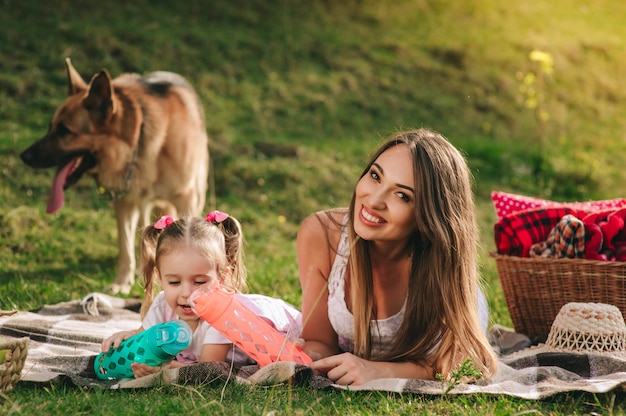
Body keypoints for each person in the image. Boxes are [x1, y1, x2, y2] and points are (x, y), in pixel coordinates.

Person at [297, 129, 498, 386]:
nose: (375, 200)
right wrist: (308, 356)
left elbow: (463, 365)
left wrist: (376, 371)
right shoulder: (322, 235)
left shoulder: (441, 266)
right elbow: (321, 341)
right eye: (375, 176)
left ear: (428, 217)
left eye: (402, 195)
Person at [101, 210, 302, 378]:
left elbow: (210, 370)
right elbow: (144, 341)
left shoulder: (221, 318)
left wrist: (164, 370)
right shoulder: (163, 304)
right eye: (174, 282)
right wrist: (126, 338)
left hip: (288, 328)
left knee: (307, 356)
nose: (187, 292)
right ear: (160, 278)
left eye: (199, 282)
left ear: (221, 278)